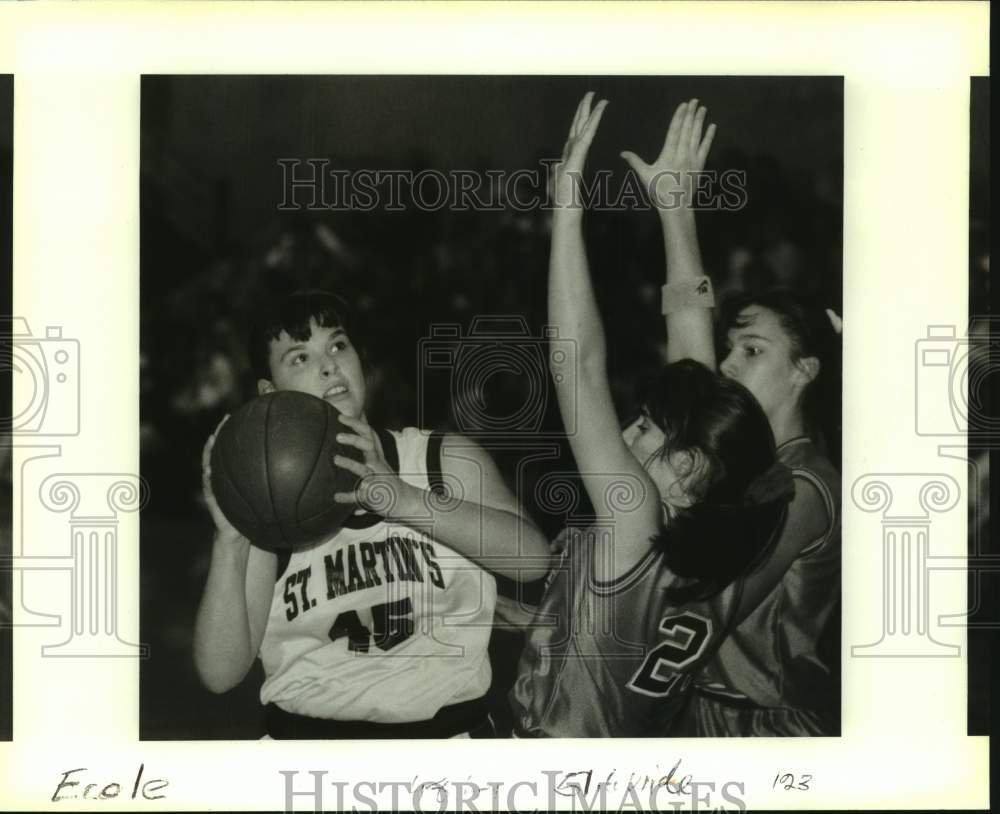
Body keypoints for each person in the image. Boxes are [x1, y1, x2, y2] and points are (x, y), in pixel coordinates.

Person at [510, 93, 794, 737]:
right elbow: (691, 368)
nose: (626, 437)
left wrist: (567, 209)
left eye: (642, 430)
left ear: (684, 468)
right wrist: (675, 209)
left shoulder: (637, 518)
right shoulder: (725, 525)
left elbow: (576, 365)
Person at [193, 289, 550, 738]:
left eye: (338, 345)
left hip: (447, 749)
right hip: (309, 755)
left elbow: (533, 559)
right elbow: (220, 673)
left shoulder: (441, 458)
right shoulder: (268, 502)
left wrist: (402, 499)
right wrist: (229, 539)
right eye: (299, 358)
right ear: (269, 392)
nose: (329, 365)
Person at [622, 98, 842, 734]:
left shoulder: (806, 484)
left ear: (806, 369)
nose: (727, 364)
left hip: (766, 727)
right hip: (695, 711)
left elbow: (706, 592)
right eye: (731, 349)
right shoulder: (746, 453)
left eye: (752, 351)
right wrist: (676, 210)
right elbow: (688, 343)